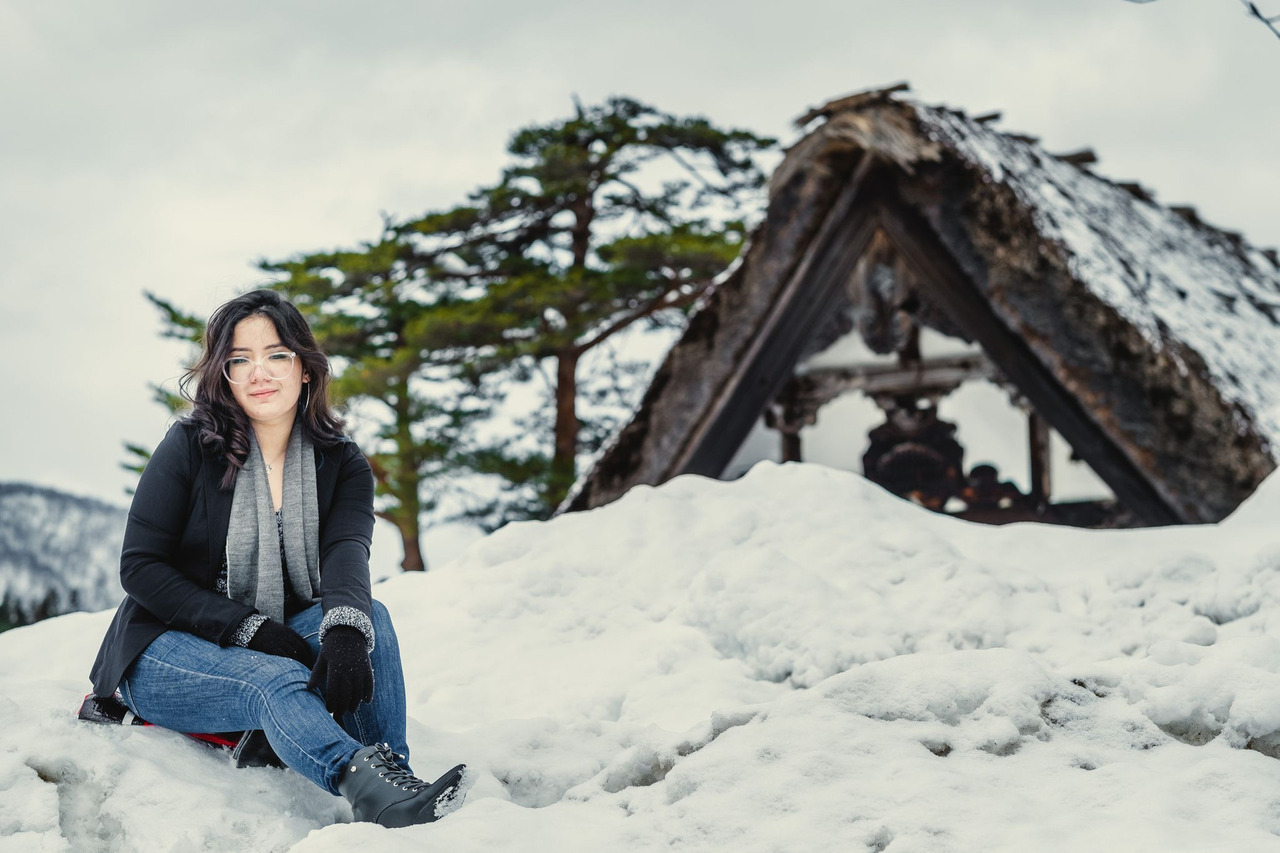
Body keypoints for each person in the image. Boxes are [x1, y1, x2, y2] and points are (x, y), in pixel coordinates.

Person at [89, 289, 465, 828]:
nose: (259, 373)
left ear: (305, 369)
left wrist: (345, 633)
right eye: (240, 360)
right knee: (275, 681)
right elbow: (141, 568)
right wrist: (248, 628)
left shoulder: (343, 465)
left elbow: (346, 554)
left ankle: (395, 777)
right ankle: (363, 787)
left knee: (368, 621)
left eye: (276, 356)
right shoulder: (189, 446)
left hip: (281, 626)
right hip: (163, 647)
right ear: (224, 375)